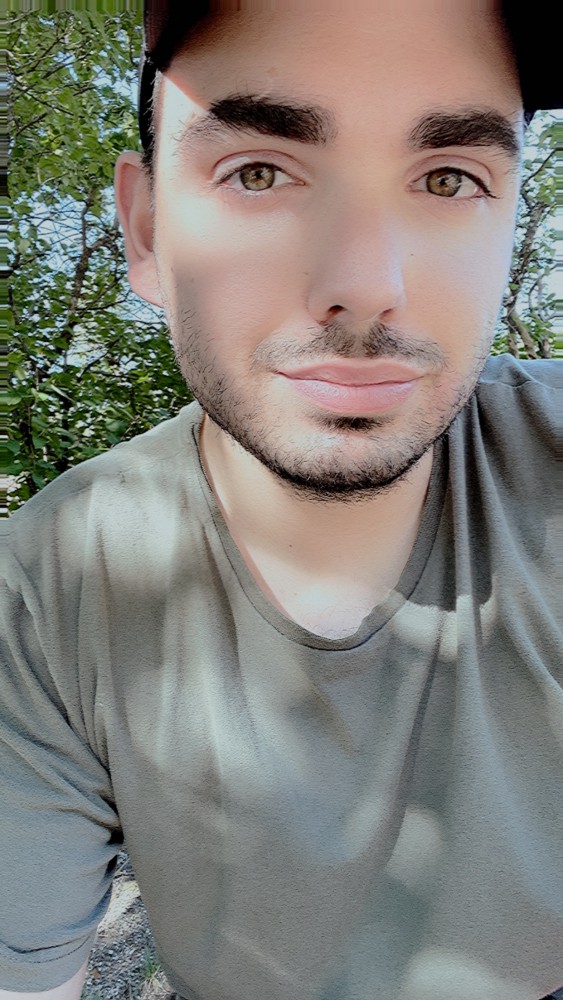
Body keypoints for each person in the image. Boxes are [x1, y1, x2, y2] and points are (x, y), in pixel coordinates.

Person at [1, 2, 562, 998]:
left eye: (447, 178)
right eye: (259, 171)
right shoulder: (46, 594)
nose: (366, 283)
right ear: (144, 231)